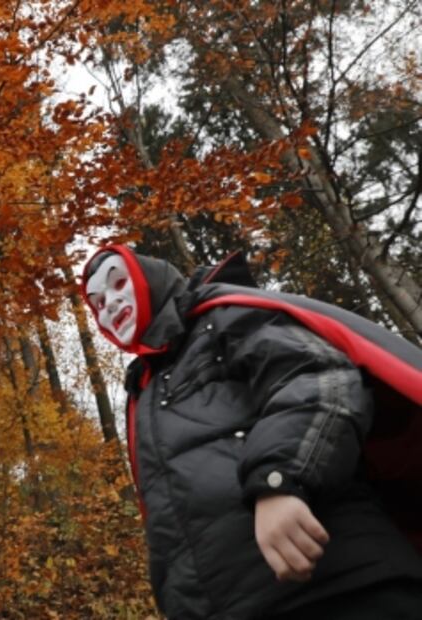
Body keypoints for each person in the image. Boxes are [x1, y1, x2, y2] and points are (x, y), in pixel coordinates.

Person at [80, 245, 422, 619]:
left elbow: (315, 376)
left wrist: (279, 479)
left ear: (151, 279)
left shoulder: (222, 317)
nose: (109, 305)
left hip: (340, 583)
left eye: (118, 284)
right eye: (97, 303)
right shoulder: (142, 391)